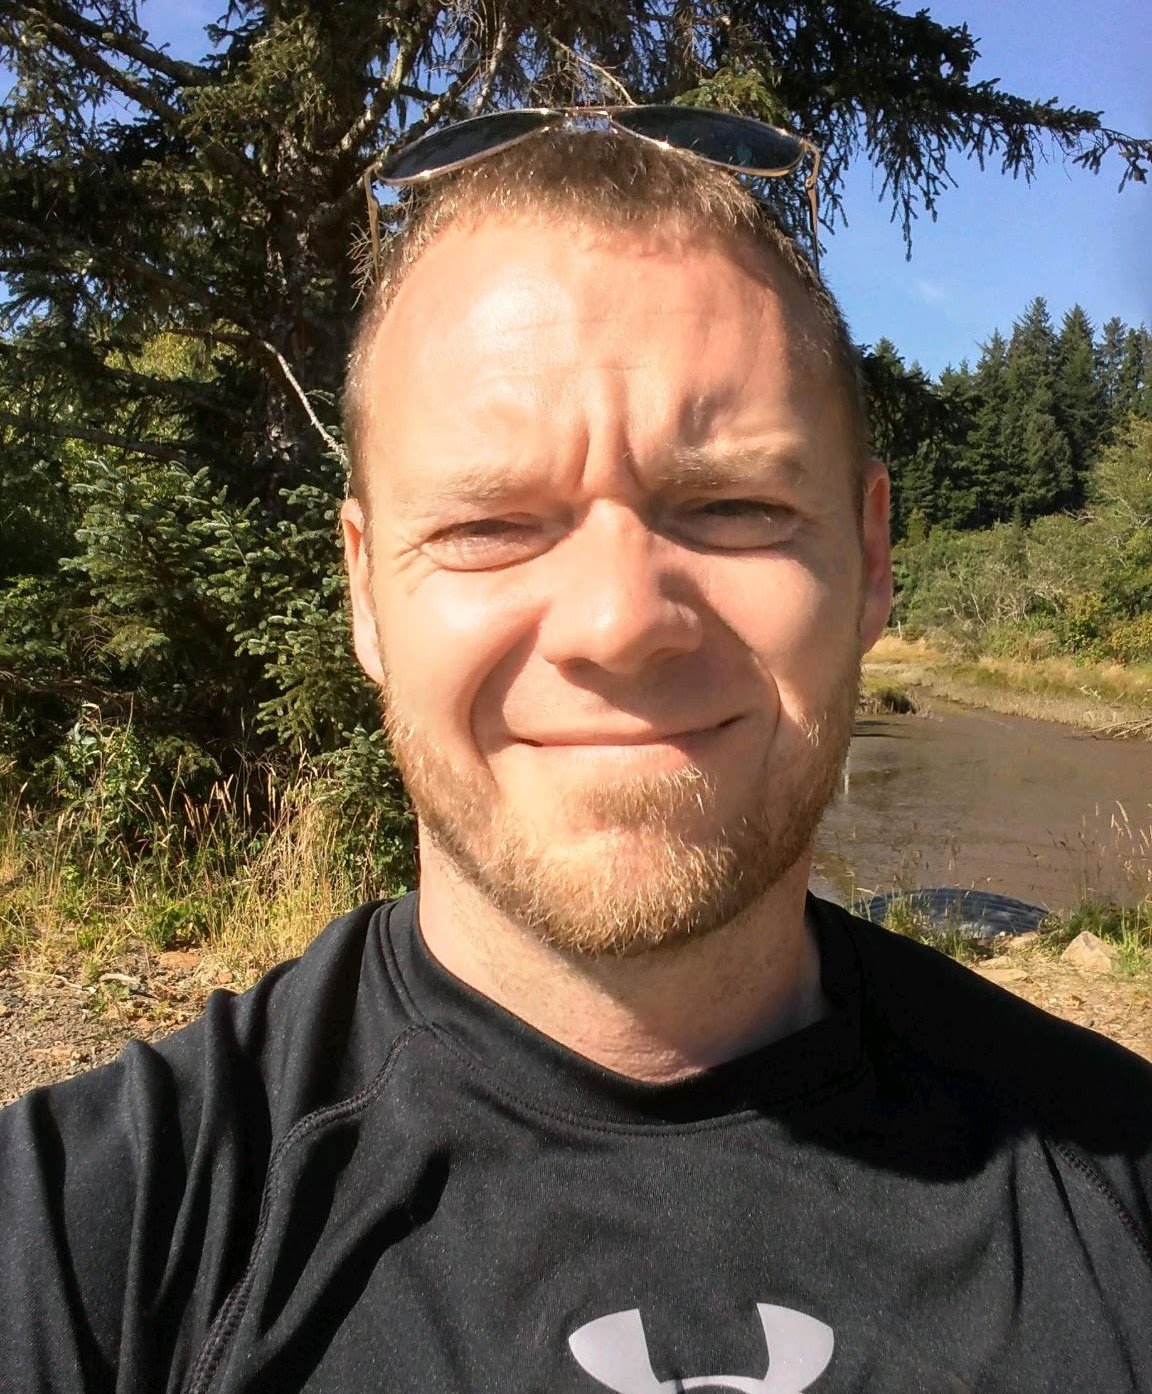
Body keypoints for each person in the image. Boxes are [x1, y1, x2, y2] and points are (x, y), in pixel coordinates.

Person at [2, 115, 1151, 1394]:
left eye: (733, 506)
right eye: (492, 524)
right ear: (366, 594)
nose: (618, 624)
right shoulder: (91, 1239)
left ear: (873, 561)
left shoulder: (1118, 1189)